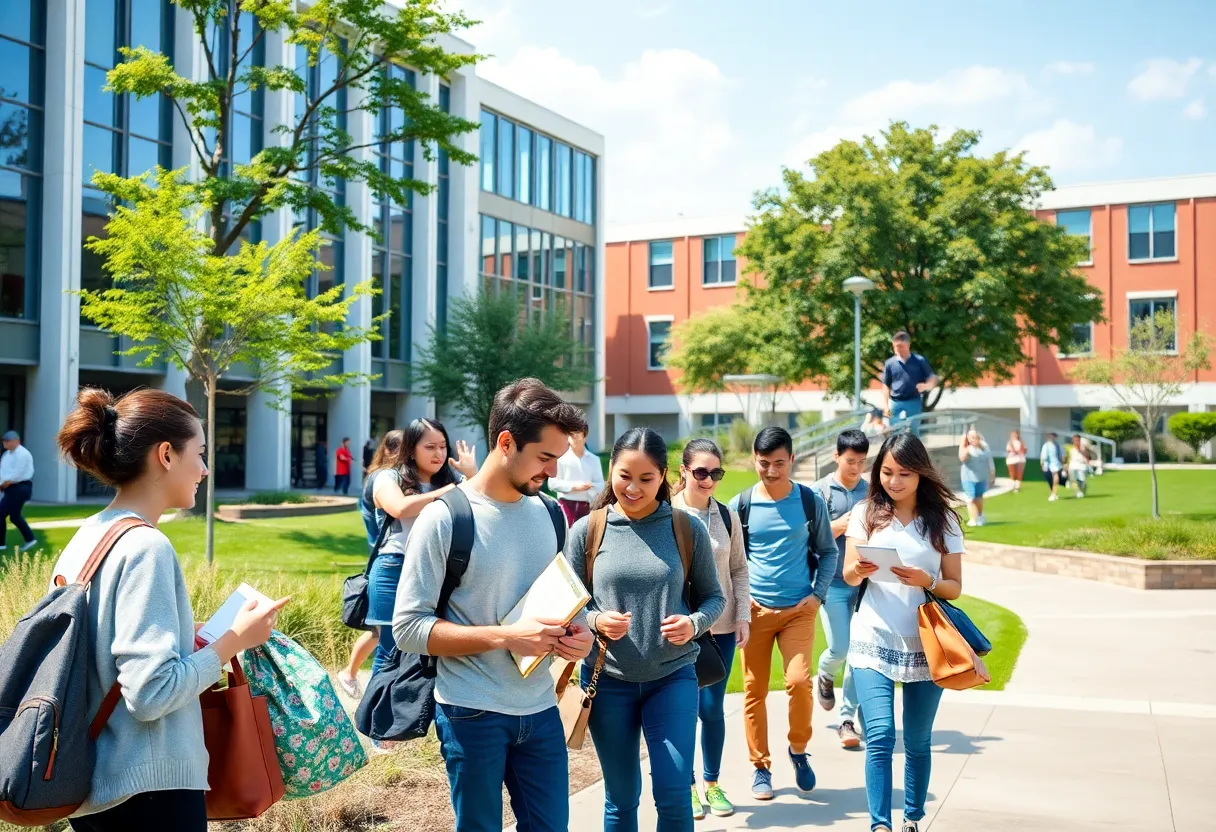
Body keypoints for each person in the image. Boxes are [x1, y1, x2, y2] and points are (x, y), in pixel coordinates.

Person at [53, 388, 286, 832]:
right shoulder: (147, 547)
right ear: (165, 455)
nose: (203, 469)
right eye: (198, 453)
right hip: (147, 790)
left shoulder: (91, 535)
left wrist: (190, 632)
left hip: (98, 783)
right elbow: (151, 693)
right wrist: (235, 641)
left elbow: (106, 645)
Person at [394, 379, 594, 832]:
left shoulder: (550, 513)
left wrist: (579, 636)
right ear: (506, 442)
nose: (553, 472)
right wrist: (507, 637)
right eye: (545, 458)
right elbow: (408, 629)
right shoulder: (444, 518)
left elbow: (565, 601)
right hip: (471, 713)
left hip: (540, 710)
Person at [567, 427, 725, 832]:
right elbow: (567, 607)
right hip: (607, 681)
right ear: (610, 472)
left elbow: (713, 598)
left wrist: (693, 623)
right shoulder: (587, 530)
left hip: (672, 678)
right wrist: (595, 620)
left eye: (645, 479)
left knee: (673, 794)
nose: (632, 488)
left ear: (665, 476)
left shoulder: (686, 529)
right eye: (623, 476)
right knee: (620, 799)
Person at [843, 432, 966, 832]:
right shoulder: (865, 512)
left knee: (916, 740)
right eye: (887, 472)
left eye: (905, 473)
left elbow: (954, 587)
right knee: (879, 735)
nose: (894, 481)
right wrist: (859, 570)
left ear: (921, 474)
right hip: (872, 637)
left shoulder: (943, 520)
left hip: (927, 642)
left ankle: (912, 818)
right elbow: (847, 574)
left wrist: (924, 578)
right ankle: (880, 825)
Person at [729, 426, 838, 800]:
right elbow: (729, 562)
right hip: (755, 612)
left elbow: (829, 553)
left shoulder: (810, 502)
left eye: (779, 463)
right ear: (754, 461)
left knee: (798, 682)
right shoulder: (740, 505)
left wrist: (818, 596)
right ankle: (760, 767)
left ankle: (798, 749)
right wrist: (739, 607)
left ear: (792, 460)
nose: (772, 471)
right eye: (764, 463)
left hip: (798, 611)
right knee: (754, 690)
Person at [670, 438, 749, 820]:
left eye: (715, 473)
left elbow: (738, 568)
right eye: (700, 471)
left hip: (721, 626)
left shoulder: (728, 516)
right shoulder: (665, 513)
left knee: (713, 708)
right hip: (679, 629)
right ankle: (685, 788)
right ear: (683, 470)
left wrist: (744, 615)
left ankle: (712, 783)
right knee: (682, 709)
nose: (707, 480)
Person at [367, 420, 476, 685]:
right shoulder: (388, 476)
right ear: (410, 449)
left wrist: (472, 475)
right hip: (395, 568)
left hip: (439, 572)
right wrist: (452, 490)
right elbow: (400, 508)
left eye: (442, 446)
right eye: (430, 447)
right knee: (391, 649)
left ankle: (413, 717)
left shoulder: (452, 479)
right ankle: (377, 719)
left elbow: (485, 504)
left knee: (431, 649)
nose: (439, 453)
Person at [811, 429, 870, 749]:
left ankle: (847, 720)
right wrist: (840, 526)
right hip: (831, 583)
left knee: (859, 654)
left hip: (864, 587)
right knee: (840, 649)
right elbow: (807, 537)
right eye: (850, 461)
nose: (855, 468)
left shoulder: (871, 492)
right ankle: (824, 673)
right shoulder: (819, 492)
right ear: (836, 457)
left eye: (861, 462)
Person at [337, 430, 405, 701]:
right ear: (390, 452)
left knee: (381, 633)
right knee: (382, 634)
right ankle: (352, 676)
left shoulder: (379, 476)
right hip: (385, 559)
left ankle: (350, 674)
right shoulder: (382, 480)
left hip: (381, 556)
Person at [882, 332, 937, 435]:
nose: (897, 349)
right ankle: (898, 451)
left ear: (908, 345)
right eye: (895, 347)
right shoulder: (890, 363)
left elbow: (932, 378)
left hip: (913, 401)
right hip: (895, 402)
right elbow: (885, 385)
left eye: (900, 346)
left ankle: (915, 450)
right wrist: (885, 405)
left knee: (914, 430)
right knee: (895, 431)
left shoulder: (919, 360)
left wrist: (926, 386)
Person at [549, 427, 605, 527]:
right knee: (568, 537)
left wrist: (591, 486)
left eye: (577, 436)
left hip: (588, 506)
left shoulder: (594, 460)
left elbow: (601, 484)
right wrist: (573, 487)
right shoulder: (561, 459)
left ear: (584, 437)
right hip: (566, 506)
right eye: (571, 436)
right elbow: (552, 483)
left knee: (586, 537)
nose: (574, 439)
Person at [0, 429, 38, 552]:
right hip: (10, 488)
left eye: (7, 441)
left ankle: (1, 544)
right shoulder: (6, 455)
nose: (5, 443)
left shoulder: (23, 454)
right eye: (4, 441)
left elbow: (17, 473)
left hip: (20, 487)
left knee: (1, 514)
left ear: (16, 441)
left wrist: (5, 483)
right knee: (14, 517)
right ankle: (30, 539)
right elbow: (3, 472)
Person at [958, 428, 994, 527]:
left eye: (974, 437)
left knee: (979, 498)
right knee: (971, 498)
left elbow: (990, 460)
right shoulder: (967, 449)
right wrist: (963, 443)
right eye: (970, 437)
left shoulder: (984, 448)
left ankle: (980, 517)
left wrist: (992, 474)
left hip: (981, 477)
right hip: (968, 478)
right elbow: (962, 458)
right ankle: (973, 519)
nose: (972, 439)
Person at [1040, 432, 1064, 502]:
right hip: (1047, 465)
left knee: (1055, 477)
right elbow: (1043, 456)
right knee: (1050, 480)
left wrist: (1063, 462)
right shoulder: (1046, 445)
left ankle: (1054, 493)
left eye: (1053, 436)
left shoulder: (1058, 445)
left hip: (1055, 463)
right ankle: (1053, 492)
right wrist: (1042, 464)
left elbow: (1061, 454)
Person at [1067, 434, 1090, 498]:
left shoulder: (1083, 447)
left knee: (1081, 481)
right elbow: (1069, 457)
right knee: (1073, 479)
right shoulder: (1070, 447)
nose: (1076, 441)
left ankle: (1083, 488)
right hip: (1073, 464)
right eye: (1074, 440)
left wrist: (1081, 451)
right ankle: (1077, 492)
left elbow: (1087, 456)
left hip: (1081, 465)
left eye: (1077, 440)